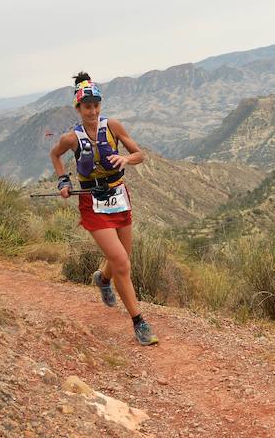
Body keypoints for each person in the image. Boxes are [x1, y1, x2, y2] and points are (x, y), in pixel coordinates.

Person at [50, 72, 159, 346]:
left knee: (121, 258)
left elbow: (139, 154)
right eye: (87, 106)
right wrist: (63, 180)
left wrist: (125, 158)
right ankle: (139, 321)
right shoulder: (71, 138)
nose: (93, 110)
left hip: (119, 196)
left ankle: (103, 279)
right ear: (78, 108)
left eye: (96, 105)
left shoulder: (112, 126)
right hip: (92, 202)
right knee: (123, 262)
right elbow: (55, 155)